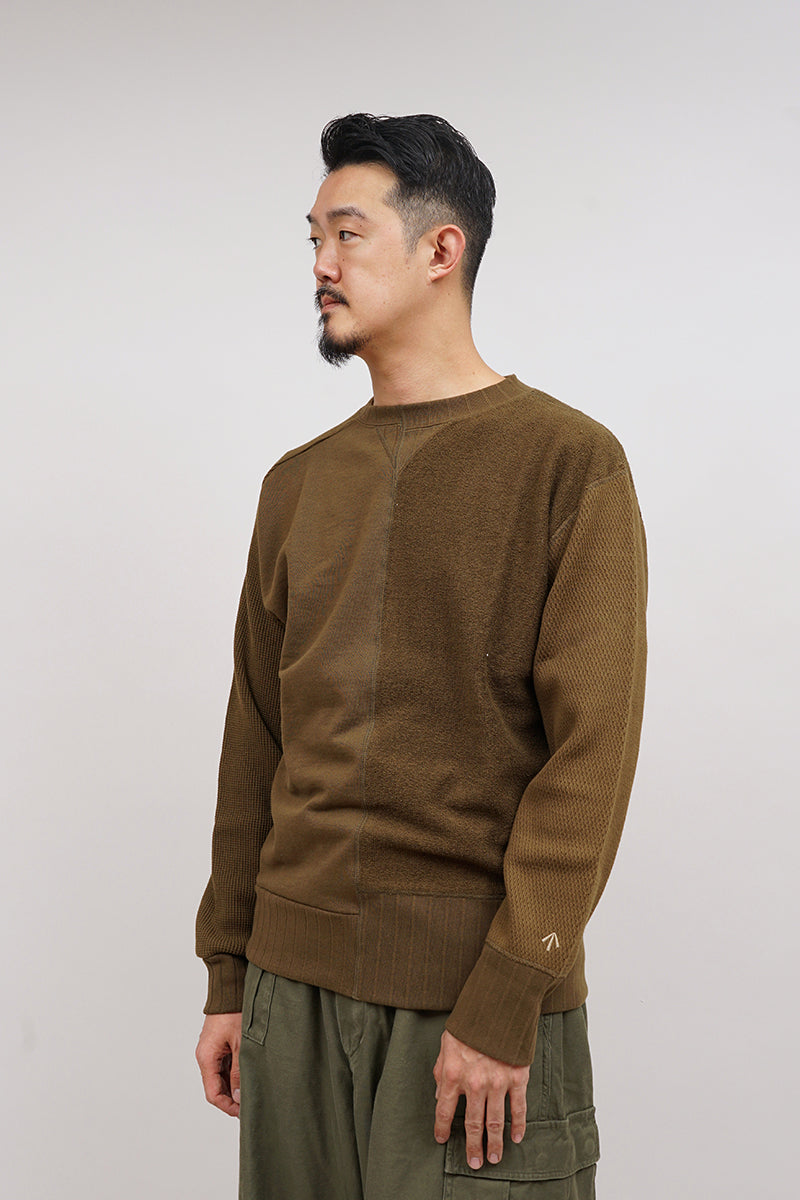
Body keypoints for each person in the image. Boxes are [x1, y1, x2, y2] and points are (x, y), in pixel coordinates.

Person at [195, 112, 647, 1200]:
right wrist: (229, 972)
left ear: (442, 248)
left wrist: (508, 992)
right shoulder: (295, 484)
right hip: (286, 998)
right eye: (312, 238)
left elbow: (590, 757)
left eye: (346, 235)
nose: (320, 265)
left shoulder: (567, 463)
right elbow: (257, 736)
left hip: (471, 1006)